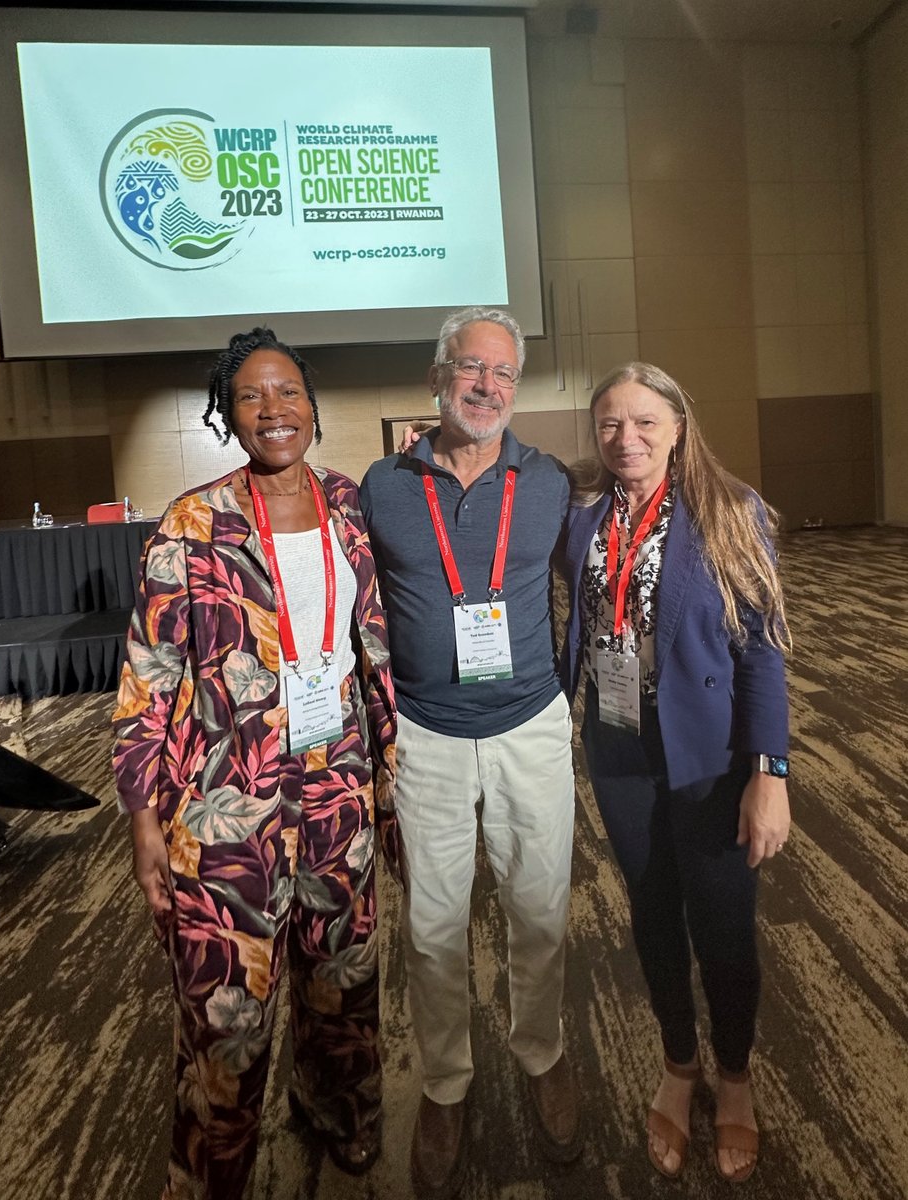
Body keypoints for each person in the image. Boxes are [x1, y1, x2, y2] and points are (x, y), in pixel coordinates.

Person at [113, 327, 396, 1198]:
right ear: (227, 415)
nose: (274, 410)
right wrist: (143, 819)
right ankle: (209, 1175)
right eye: (251, 397)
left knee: (342, 977)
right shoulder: (192, 523)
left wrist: (386, 785)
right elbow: (149, 676)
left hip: (338, 785)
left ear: (312, 406)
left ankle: (339, 1112)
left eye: (288, 394)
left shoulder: (348, 504)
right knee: (224, 1011)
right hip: (224, 803)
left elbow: (370, 647)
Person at [359, 306, 581, 1195]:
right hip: (425, 736)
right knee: (432, 923)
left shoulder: (553, 481)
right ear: (437, 376)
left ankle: (543, 1053)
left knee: (540, 907)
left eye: (502, 373)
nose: (486, 386)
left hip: (531, 725)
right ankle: (445, 1083)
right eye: (469, 368)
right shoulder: (379, 486)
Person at [560, 361, 791, 1184]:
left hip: (712, 755)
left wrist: (771, 771)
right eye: (610, 425)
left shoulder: (731, 512)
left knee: (722, 925)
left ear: (678, 427)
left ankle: (733, 1078)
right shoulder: (581, 512)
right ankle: (677, 1061)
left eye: (645, 422)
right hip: (619, 746)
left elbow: (762, 652)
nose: (626, 439)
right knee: (652, 913)